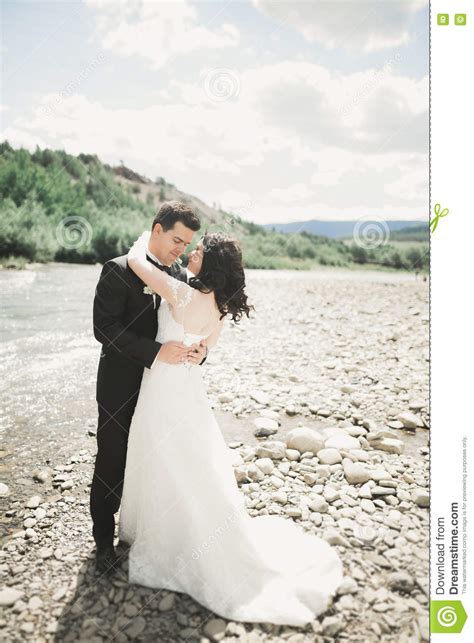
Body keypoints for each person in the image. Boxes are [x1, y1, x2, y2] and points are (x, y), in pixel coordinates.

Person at [117, 230, 344, 626]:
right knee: (185, 459)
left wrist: (144, 239)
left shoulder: (182, 293)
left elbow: (137, 263)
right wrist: (198, 350)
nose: (191, 254)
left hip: (164, 388)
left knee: (162, 455)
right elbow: (206, 350)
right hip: (187, 386)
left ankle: (166, 538)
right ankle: (178, 528)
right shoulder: (217, 305)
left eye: (199, 252)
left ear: (211, 264)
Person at [90, 201, 206, 573]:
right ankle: (103, 541)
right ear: (157, 229)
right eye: (176, 239)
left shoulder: (178, 275)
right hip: (120, 383)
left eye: (186, 244)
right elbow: (103, 329)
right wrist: (156, 352)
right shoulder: (118, 269)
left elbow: (190, 321)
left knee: (157, 457)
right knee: (112, 457)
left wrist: (199, 352)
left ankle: (147, 532)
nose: (180, 250)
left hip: (163, 389)